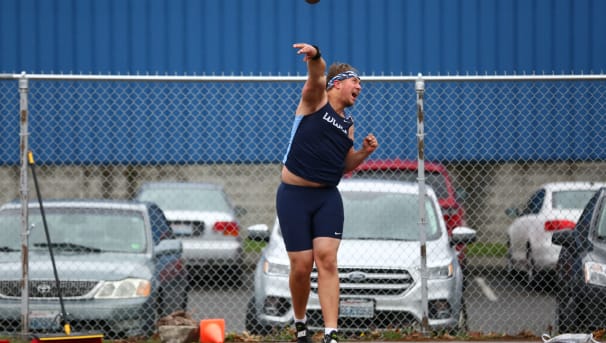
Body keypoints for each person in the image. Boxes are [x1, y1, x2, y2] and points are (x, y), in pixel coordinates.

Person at [276, 43, 379, 343]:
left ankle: (331, 334)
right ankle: (300, 325)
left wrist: (363, 152)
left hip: (326, 198)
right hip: (294, 195)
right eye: (354, 81)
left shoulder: (348, 124)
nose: (359, 86)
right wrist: (317, 55)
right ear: (337, 83)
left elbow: (343, 165)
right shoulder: (315, 100)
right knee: (301, 266)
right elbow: (317, 74)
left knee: (327, 260)